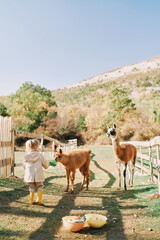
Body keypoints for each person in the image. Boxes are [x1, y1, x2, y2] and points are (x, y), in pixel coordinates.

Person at [23, 139, 50, 205]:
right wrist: (49, 164)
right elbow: (46, 165)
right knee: (40, 186)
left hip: (29, 175)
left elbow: (24, 167)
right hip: (38, 174)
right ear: (38, 146)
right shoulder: (40, 155)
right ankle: (39, 200)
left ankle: (31, 200)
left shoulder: (26, 157)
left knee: (31, 187)